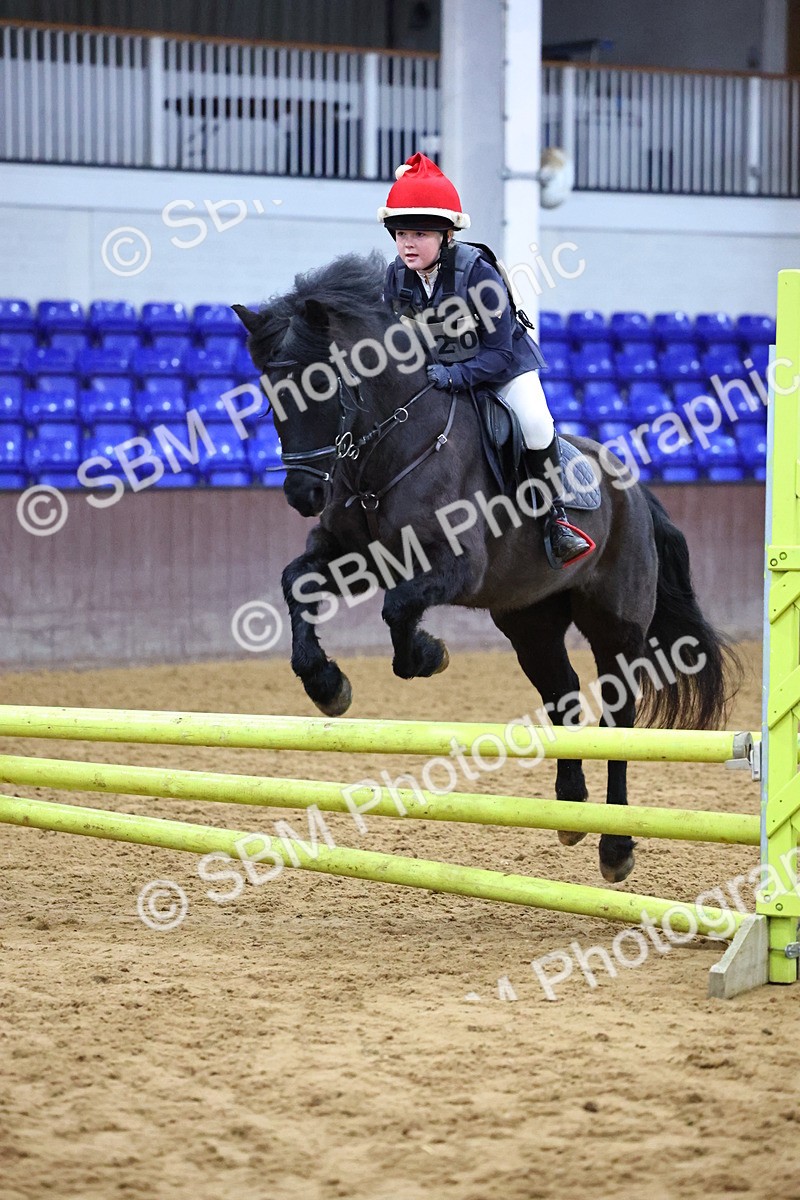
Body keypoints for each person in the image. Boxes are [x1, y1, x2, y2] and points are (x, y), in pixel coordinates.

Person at [378, 151, 593, 569]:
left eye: (420, 233)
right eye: (402, 232)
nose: (408, 242)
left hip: (499, 368)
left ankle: (555, 520)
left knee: (534, 422)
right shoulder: (395, 277)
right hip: (439, 375)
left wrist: (457, 376)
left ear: (446, 236)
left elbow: (499, 352)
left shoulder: (478, 273)